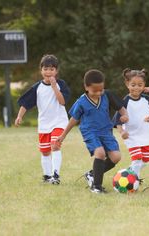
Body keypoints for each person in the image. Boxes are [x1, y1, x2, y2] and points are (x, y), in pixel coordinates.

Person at [57, 69, 129, 193]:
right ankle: (96, 187)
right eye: (95, 90)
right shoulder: (81, 102)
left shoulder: (107, 95)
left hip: (106, 131)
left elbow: (121, 108)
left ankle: (91, 174)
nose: (98, 93)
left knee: (116, 157)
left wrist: (125, 116)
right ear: (86, 87)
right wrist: (63, 136)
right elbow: (73, 120)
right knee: (100, 153)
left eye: (101, 89)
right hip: (90, 132)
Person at [15, 54, 71, 185]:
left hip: (59, 122)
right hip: (44, 124)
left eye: (52, 69)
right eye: (46, 69)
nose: (48, 72)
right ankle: (47, 176)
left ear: (56, 71)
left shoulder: (61, 84)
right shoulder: (37, 88)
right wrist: (19, 116)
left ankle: (55, 176)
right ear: (41, 70)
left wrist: (54, 87)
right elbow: (26, 103)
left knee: (55, 146)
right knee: (45, 152)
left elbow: (62, 102)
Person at [114, 68, 149, 180]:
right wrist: (122, 131)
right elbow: (117, 120)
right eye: (133, 85)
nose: (136, 88)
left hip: (145, 135)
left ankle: (130, 172)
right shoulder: (124, 102)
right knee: (137, 158)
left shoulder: (147, 100)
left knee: (146, 160)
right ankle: (134, 179)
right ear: (127, 84)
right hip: (131, 135)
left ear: (144, 85)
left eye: (140, 85)